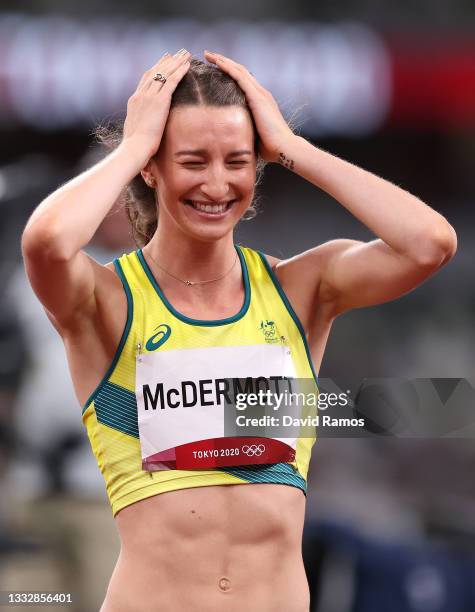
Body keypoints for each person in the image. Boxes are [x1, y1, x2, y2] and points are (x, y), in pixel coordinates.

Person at [21, 48, 457, 612]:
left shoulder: (302, 288)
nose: (217, 184)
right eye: (193, 160)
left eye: (237, 160)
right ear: (151, 168)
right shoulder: (108, 300)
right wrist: (131, 146)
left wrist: (295, 149)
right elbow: (47, 242)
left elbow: (431, 244)